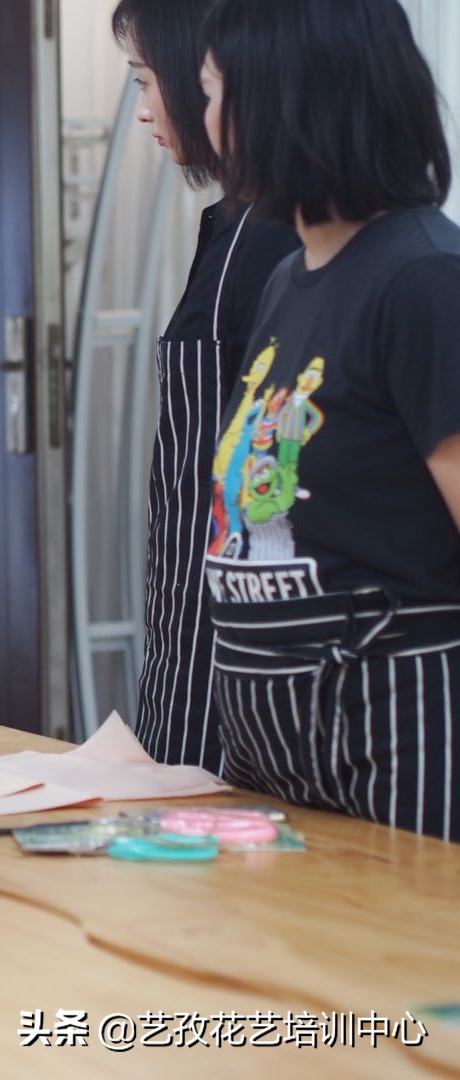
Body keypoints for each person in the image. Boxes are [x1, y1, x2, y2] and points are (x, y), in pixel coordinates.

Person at [199, 0, 460, 841]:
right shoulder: (289, 279)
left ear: (286, 99)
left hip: (398, 737)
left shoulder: (424, 278)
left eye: (214, 92)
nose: (207, 122)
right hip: (278, 747)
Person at [112, 0, 298, 773]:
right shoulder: (232, 224)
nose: (148, 111)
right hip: (187, 626)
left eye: (150, 82)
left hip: (239, 649)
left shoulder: (277, 241)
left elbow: (273, 485)